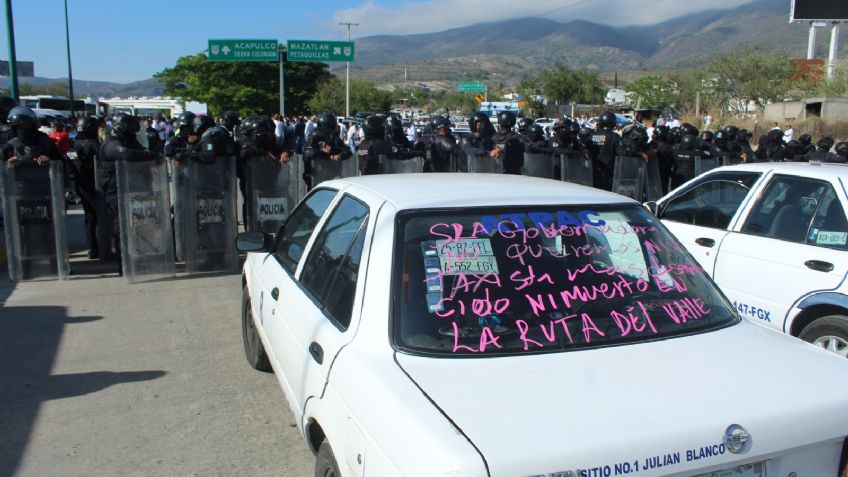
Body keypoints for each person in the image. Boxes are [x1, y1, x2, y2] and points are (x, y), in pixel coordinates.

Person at [99, 114, 161, 274]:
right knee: (122, 229)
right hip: (117, 193)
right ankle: (125, 264)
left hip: (136, 192)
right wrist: (150, 155)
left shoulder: (133, 144)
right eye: (130, 132)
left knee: (140, 227)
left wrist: (152, 154)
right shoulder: (111, 144)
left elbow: (144, 154)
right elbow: (125, 155)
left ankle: (140, 260)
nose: (133, 135)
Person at [72, 116, 102, 258]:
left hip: (81, 185)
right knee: (102, 215)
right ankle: (104, 247)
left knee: (89, 217)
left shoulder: (75, 143)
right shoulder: (93, 144)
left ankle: (93, 249)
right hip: (94, 184)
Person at [303, 112, 352, 189]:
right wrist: (324, 153)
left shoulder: (335, 139)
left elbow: (348, 152)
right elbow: (307, 152)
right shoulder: (313, 137)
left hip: (332, 176)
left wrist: (339, 156)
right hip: (315, 178)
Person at [587, 111, 622, 191]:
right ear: (612, 123)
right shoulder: (615, 136)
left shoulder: (592, 135)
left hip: (592, 171)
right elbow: (621, 152)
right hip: (608, 173)